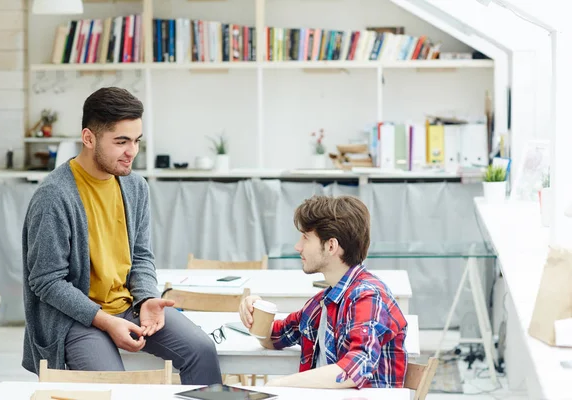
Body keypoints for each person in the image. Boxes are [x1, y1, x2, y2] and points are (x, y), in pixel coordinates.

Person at [21, 87, 222, 384]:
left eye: (137, 140)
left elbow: (140, 256)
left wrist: (147, 299)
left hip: (128, 305)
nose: (132, 152)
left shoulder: (134, 187)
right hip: (76, 319)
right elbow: (46, 282)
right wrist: (105, 321)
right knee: (117, 386)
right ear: (89, 138)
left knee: (202, 350)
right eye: (121, 141)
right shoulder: (53, 197)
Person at [239, 195, 408, 389]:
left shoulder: (368, 296)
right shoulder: (324, 302)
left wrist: (280, 384)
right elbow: (274, 338)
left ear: (330, 246)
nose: (298, 246)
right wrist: (255, 310)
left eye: (305, 237)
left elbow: (356, 368)